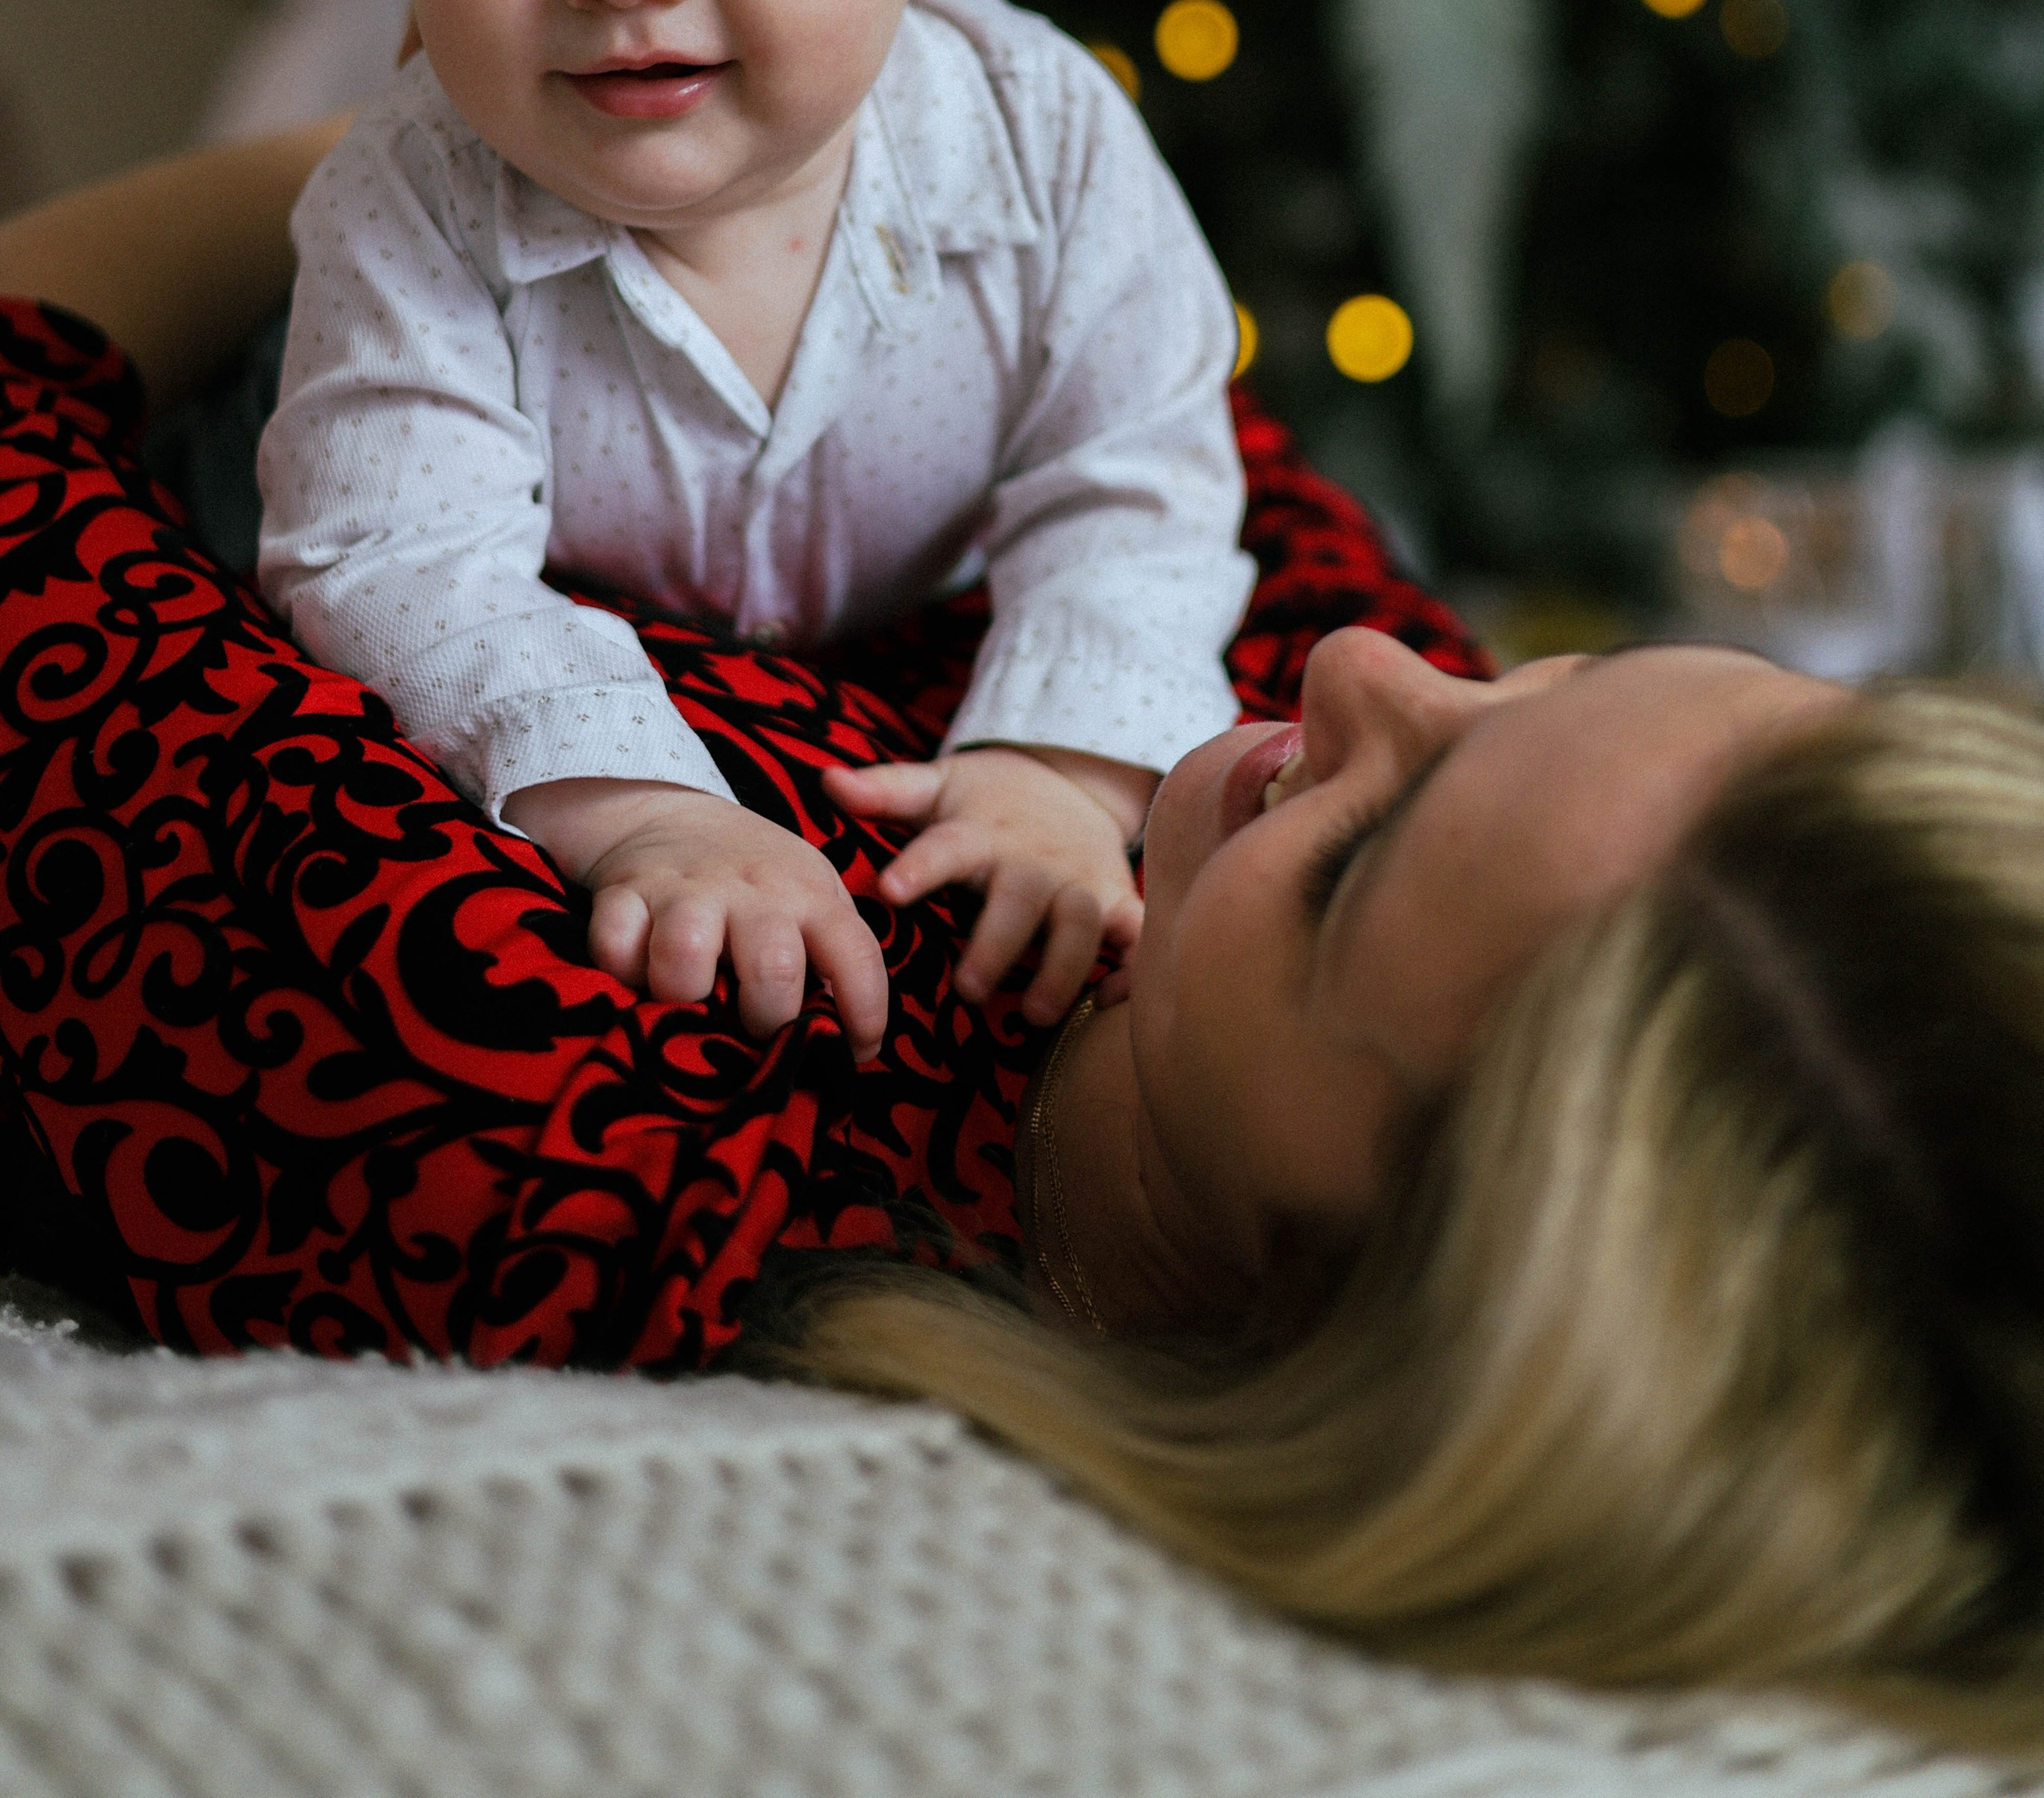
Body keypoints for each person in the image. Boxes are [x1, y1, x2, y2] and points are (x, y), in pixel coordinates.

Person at [5, 142, 2044, 1749]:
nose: (1356, 668)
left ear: (1328, 1317)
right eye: (1542, 678)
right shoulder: (1347, 780)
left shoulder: (589, 1118)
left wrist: (383, 170)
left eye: (1353, 860)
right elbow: (1109, 353)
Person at [256, 0, 1254, 1059]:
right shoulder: (415, 198)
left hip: (924, 654)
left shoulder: (1045, 146)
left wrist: (1055, 773)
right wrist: (646, 808)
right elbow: (399, 552)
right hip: (611, 679)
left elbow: (1138, 478)